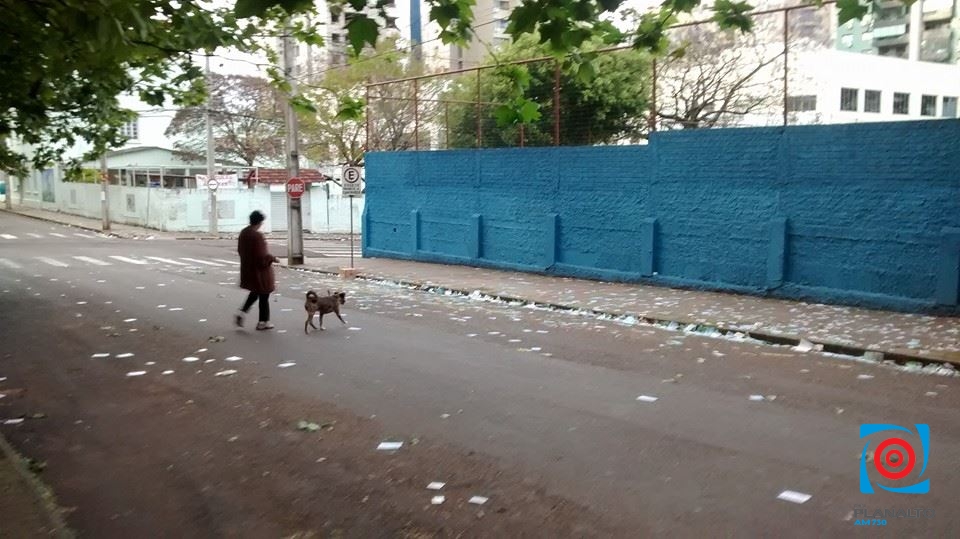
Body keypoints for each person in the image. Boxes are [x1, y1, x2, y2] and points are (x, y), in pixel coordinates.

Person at [235, 210, 279, 330]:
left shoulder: (244, 233)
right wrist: (273, 259)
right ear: (259, 222)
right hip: (260, 271)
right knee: (264, 294)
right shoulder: (257, 236)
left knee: (255, 292)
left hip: (248, 269)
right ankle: (263, 322)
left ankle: (242, 313)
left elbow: (240, 250)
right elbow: (262, 256)